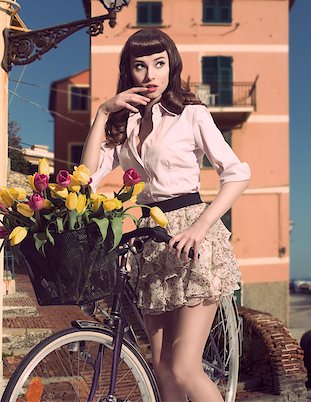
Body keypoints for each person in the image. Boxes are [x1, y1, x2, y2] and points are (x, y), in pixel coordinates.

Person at [81, 28, 250, 402]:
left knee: (183, 367)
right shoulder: (124, 127)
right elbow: (87, 177)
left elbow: (237, 174)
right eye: (140, 66)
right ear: (129, 72)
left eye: (159, 63)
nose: (150, 75)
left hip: (192, 237)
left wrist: (201, 227)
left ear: (171, 66)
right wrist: (103, 112)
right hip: (151, 241)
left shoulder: (191, 115)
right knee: (160, 366)